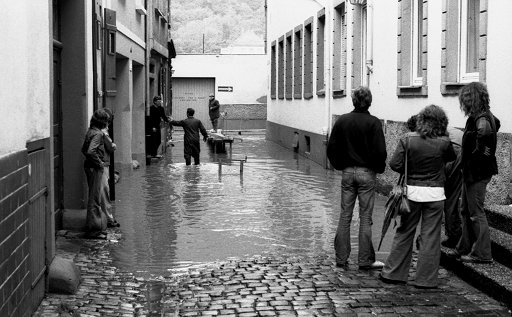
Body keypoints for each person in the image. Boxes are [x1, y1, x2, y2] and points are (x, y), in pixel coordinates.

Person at [380, 105, 456, 288]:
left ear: (421, 120)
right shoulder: (445, 142)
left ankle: (394, 274)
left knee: (405, 232)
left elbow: (395, 164)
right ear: (442, 122)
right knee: (431, 236)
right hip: (436, 193)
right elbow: (450, 159)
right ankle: (426, 280)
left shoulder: (408, 139)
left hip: (412, 193)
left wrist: (411, 167)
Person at [327, 86, 387, 270]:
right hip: (367, 173)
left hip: (347, 172)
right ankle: (365, 260)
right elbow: (380, 151)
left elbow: (331, 148)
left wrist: (340, 165)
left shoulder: (342, 121)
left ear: (353, 101)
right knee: (365, 217)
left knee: (345, 215)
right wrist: (378, 169)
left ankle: (341, 258)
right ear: (369, 101)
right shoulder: (374, 123)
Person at [448, 82, 501, 263]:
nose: (463, 103)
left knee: (476, 212)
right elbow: (496, 125)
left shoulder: (482, 119)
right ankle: (464, 246)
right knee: (465, 210)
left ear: (472, 99)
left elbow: (485, 138)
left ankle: (482, 253)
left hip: (477, 172)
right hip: (471, 171)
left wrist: (478, 155)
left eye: (466, 98)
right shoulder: (480, 116)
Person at [81, 109, 110, 239]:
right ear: (103, 122)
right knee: (95, 199)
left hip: (89, 167)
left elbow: (83, 149)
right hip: (95, 168)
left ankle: (95, 226)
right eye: (107, 121)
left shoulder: (90, 131)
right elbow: (90, 151)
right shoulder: (98, 134)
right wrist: (99, 163)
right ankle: (93, 230)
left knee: (93, 197)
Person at [101, 108, 120, 228]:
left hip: (100, 164)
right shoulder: (102, 132)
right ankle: (108, 218)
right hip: (102, 164)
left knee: (102, 191)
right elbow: (111, 146)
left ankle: (105, 217)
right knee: (104, 191)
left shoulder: (95, 131)